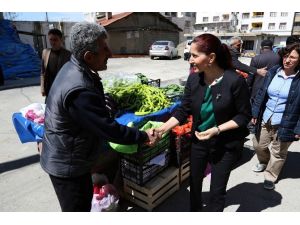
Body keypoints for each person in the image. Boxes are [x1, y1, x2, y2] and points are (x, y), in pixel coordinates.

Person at [40, 22, 158, 212]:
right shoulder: (79, 88)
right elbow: (109, 129)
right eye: (105, 49)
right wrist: (143, 136)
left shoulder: (74, 67)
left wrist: (102, 103)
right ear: (88, 56)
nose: (110, 53)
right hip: (67, 165)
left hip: (69, 158)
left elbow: (89, 114)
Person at [153, 33, 251, 212]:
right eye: (190, 55)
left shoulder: (234, 81)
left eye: (195, 55)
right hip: (199, 141)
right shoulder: (194, 79)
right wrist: (162, 129)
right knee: (195, 184)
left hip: (225, 144)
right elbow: (184, 110)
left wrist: (217, 129)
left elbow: (244, 117)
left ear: (211, 57)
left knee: (216, 192)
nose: (190, 60)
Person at [251, 43, 300, 190]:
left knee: (278, 152)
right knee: (258, 145)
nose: (287, 60)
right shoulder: (273, 71)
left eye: (292, 57)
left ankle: (270, 175)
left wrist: (298, 128)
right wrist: (255, 112)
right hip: (267, 116)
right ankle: (265, 161)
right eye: (285, 56)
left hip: (287, 121)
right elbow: (261, 93)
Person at [40, 28, 71, 99]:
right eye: (51, 39)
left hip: (62, 88)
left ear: (61, 40)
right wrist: (42, 88)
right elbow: (42, 72)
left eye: (55, 40)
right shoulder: (45, 52)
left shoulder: (68, 54)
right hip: (49, 87)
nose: (53, 42)